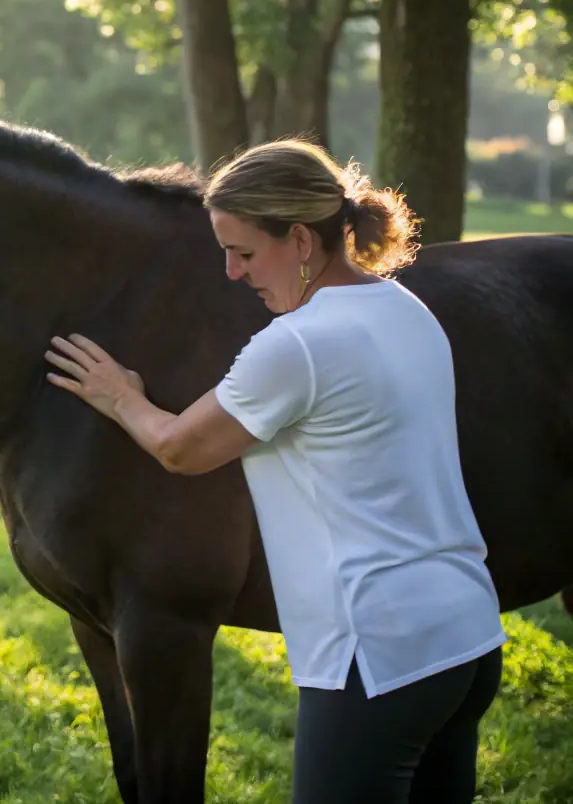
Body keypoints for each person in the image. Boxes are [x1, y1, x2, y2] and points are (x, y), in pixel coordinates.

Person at [44, 139, 506, 803]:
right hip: (466, 638)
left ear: (297, 240)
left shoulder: (297, 345)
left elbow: (180, 448)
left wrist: (120, 396)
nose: (232, 273)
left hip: (375, 655)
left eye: (243, 252)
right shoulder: (404, 309)